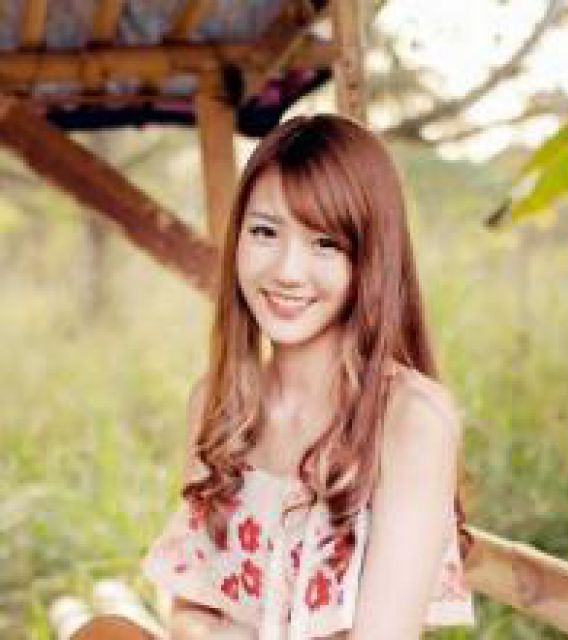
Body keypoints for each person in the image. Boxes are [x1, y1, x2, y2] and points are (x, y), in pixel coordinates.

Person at [141, 113, 475, 639]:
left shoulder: (412, 419)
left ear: (370, 259)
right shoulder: (216, 403)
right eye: (265, 232)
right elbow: (189, 606)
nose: (286, 271)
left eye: (325, 243)